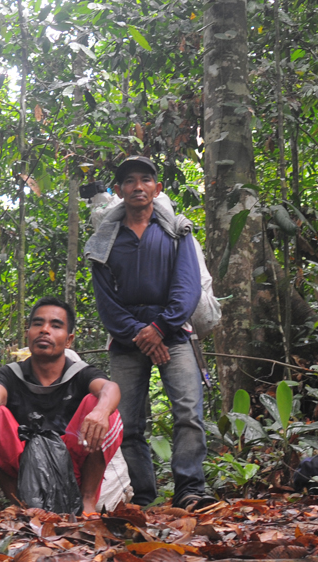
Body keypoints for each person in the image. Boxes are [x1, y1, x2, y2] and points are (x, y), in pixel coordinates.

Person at [85, 156, 215, 509]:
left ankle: (190, 489)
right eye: (129, 181)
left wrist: (159, 328)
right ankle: (142, 495)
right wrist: (141, 334)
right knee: (128, 423)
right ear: (119, 191)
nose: (137, 186)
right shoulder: (104, 241)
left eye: (145, 180)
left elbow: (187, 287)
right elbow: (106, 301)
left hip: (173, 333)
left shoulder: (177, 231)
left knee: (188, 413)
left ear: (157, 189)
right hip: (126, 341)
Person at [0, 297, 123, 514]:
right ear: (28, 333)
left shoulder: (80, 373)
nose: (44, 330)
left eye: (55, 325)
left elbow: (110, 388)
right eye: (38, 324)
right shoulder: (12, 374)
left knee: (104, 407)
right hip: (25, 467)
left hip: (74, 467)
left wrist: (101, 411)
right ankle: (18, 505)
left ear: (69, 340)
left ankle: (86, 503)